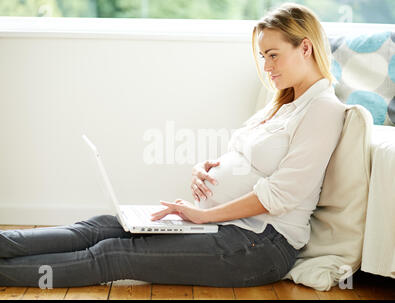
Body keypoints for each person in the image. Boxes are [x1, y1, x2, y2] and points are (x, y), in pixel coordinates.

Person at [0, 3, 345, 288]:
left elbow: (282, 195)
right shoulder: (283, 103)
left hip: (259, 246)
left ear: (305, 47)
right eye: (263, 57)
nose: (266, 67)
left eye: (273, 55)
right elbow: (250, 157)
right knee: (100, 227)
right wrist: (208, 168)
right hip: (223, 227)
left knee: (112, 254)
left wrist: (205, 214)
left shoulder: (323, 109)